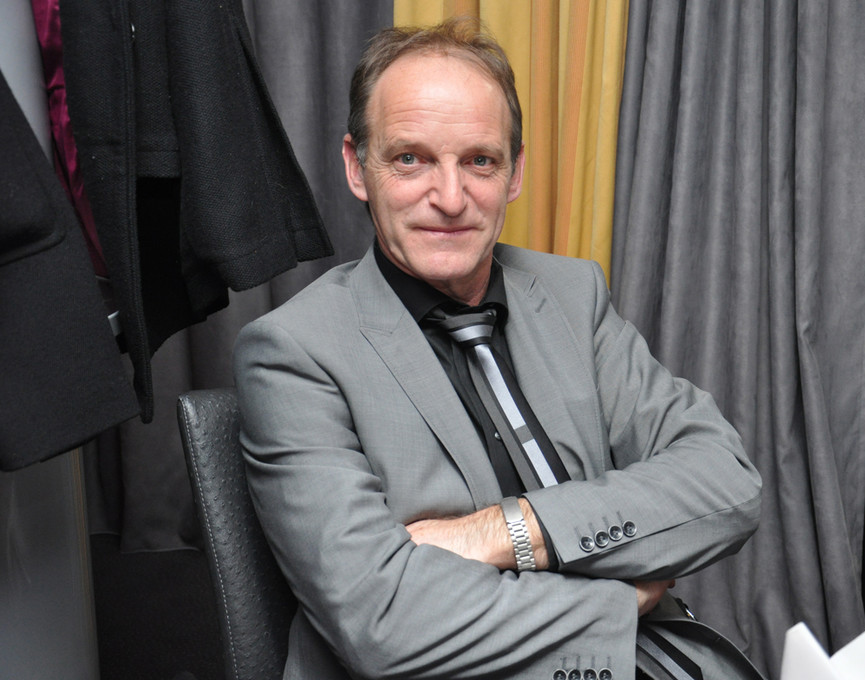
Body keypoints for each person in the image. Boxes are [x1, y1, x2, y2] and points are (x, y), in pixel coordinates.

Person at [234, 18, 761, 680]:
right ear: (357, 167)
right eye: (410, 159)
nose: (450, 198)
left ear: (515, 173)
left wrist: (502, 532)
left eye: (479, 161)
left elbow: (726, 482)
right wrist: (618, 600)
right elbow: (381, 620)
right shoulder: (293, 351)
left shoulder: (573, 295)